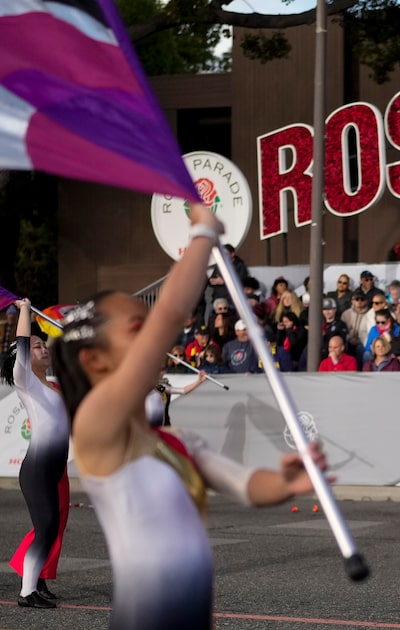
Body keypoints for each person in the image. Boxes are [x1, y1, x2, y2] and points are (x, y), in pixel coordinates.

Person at [47, 202, 328, 628]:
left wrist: (287, 482)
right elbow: (172, 314)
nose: (157, 335)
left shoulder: (178, 443)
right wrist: (202, 234)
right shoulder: (94, 427)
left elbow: (247, 484)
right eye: (137, 329)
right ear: (95, 360)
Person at [2, 300, 69, 608]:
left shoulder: (52, 388)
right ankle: (27, 592)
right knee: (44, 528)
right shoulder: (26, 382)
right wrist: (25, 310)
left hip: (54, 467)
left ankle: (34, 586)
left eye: (45, 345)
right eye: (37, 346)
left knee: (50, 528)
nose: (44, 349)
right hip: (38, 468)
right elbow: (23, 344)